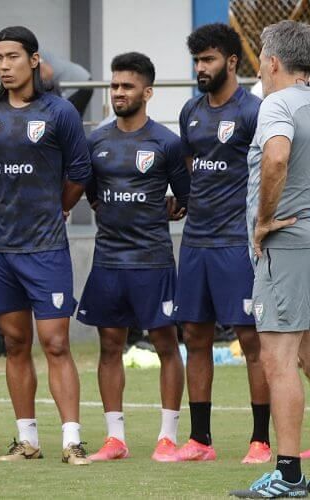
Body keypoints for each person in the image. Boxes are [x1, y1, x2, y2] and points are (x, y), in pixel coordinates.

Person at [0, 26, 91, 465]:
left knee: (56, 342)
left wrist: (55, 210)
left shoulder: (59, 112)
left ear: (34, 60)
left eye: (13, 57)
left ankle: (72, 440)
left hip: (46, 248)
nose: (4, 66)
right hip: (1, 249)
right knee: (15, 344)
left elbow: (79, 173)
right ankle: (27, 440)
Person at [77, 52, 188, 462]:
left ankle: (166, 437)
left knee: (165, 344)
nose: (119, 92)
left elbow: (182, 198)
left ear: (148, 91)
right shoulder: (97, 141)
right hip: (108, 260)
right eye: (115, 85)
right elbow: (91, 192)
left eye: (127, 86)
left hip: (153, 260)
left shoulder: (167, 142)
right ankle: (115, 439)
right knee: (109, 346)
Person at [173, 23, 270, 464]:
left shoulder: (254, 111)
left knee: (252, 339)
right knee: (195, 335)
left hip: (237, 242)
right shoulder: (190, 110)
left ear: (231, 62)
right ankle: (200, 439)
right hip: (195, 241)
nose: (200, 68)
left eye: (208, 59)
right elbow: (193, 169)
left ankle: (261, 439)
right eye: (197, 60)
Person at [231, 20, 310, 498]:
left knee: (278, 360)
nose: (259, 67)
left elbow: (276, 158)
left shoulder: (277, 103)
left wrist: (264, 219)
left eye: (261, 58)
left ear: (274, 62)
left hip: (288, 244)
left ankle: (289, 476)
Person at [0, 39, 93, 116]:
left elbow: (46, 73)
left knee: (65, 129)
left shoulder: (8, 48)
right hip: (68, 88)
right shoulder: (0, 63)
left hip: (76, 84)